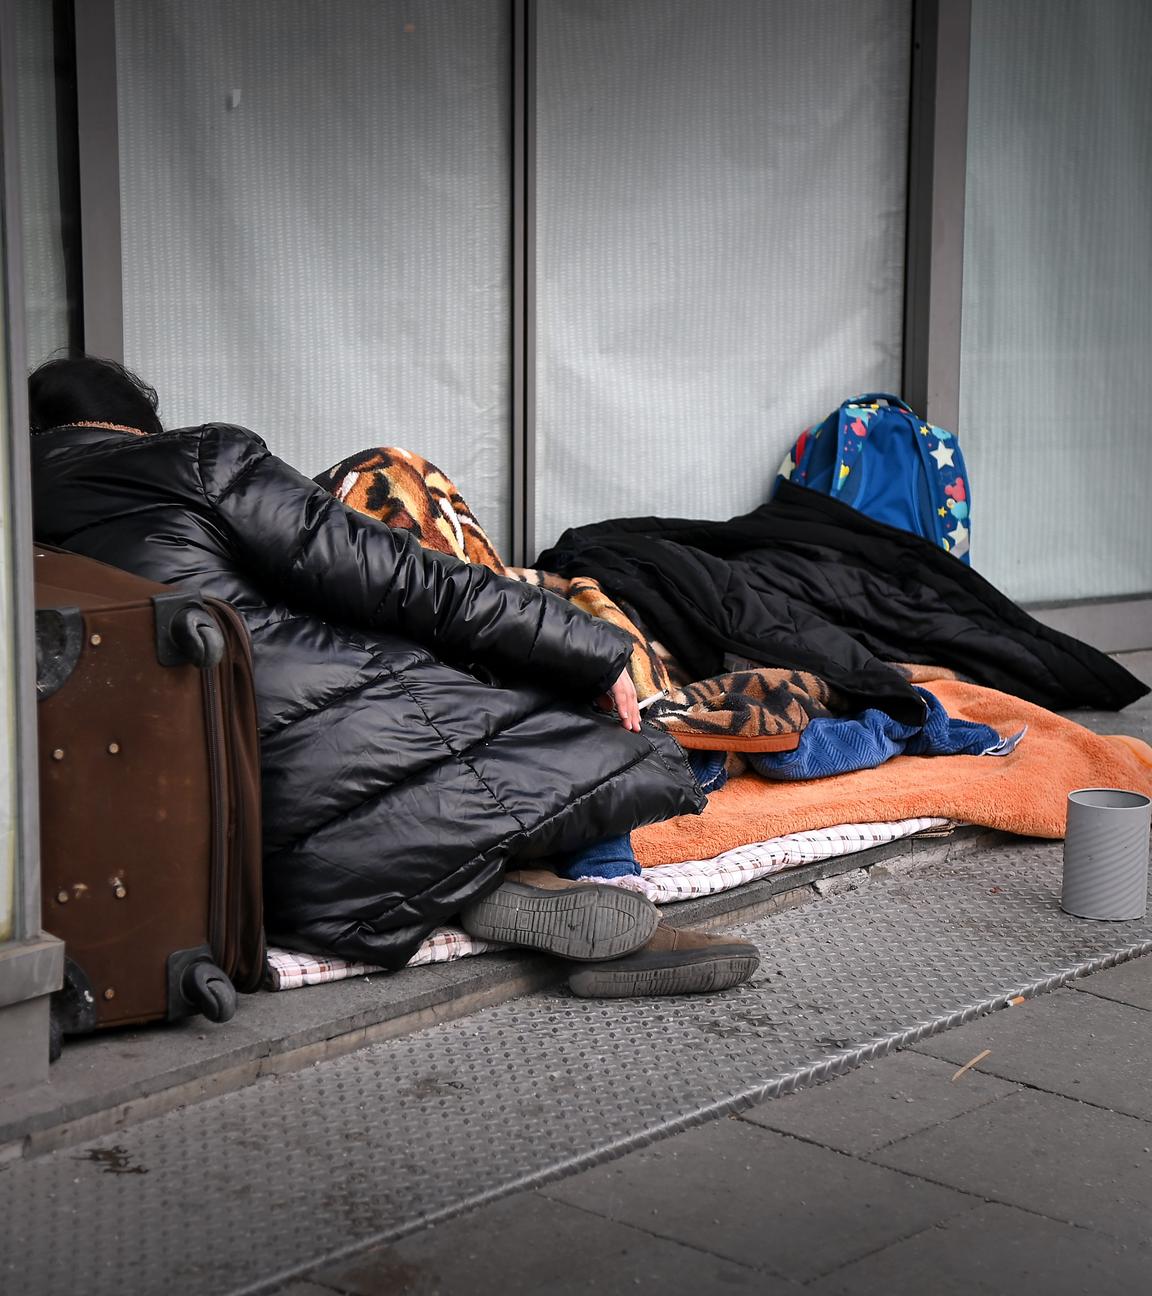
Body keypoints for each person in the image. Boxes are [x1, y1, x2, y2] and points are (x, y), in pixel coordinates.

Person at [28, 356, 760, 997]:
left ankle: (492, 885)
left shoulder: (12, 522)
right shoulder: (193, 462)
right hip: (327, 766)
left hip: (210, 850)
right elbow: (403, 578)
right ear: (136, 425)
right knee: (622, 728)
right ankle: (594, 884)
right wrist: (589, 648)